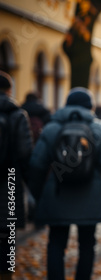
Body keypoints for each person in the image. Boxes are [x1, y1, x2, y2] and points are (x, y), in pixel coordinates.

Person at [29, 87, 101, 280]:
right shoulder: (99, 128)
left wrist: (40, 196)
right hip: (91, 195)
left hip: (58, 193)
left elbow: (37, 164)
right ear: (90, 106)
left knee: (56, 243)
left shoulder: (52, 128)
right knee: (87, 244)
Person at [0, 71, 33, 280]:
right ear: (9, 89)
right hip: (10, 181)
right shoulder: (18, 115)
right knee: (8, 234)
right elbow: (24, 153)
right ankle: (6, 273)